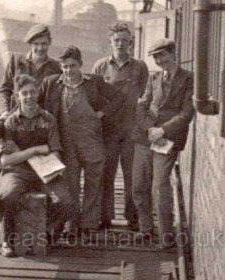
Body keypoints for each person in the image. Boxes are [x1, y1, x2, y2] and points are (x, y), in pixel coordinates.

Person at [39, 46, 126, 234]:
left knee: (93, 182)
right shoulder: (52, 83)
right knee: (70, 184)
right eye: (64, 67)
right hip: (66, 143)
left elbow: (119, 97)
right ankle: (72, 224)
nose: (68, 71)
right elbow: (32, 102)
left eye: (72, 66)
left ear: (80, 64)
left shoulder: (93, 82)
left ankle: (89, 224)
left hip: (91, 140)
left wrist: (102, 113)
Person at [0, 74, 73, 257]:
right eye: (24, 93)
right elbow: (6, 160)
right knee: (7, 195)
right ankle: (8, 240)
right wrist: (36, 150)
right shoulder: (11, 122)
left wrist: (38, 159)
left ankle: (47, 234)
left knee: (67, 201)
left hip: (45, 171)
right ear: (17, 96)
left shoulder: (48, 119)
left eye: (32, 92)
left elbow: (55, 151)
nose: (29, 96)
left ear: (38, 93)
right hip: (17, 172)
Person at [132, 38, 195, 248]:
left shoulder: (189, 79)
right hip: (146, 137)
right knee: (139, 185)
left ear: (173, 53)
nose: (159, 60)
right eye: (156, 57)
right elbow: (142, 105)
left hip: (167, 140)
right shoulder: (154, 78)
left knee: (159, 186)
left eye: (162, 55)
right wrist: (150, 128)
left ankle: (167, 236)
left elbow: (187, 114)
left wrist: (163, 130)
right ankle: (145, 229)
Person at [92, 23, 149, 230]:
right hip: (108, 131)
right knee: (106, 174)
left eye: (125, 40)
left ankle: (132, 218)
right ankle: (105, 218)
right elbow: (94, 97)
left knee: (132, 176)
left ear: (130, 42)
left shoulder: (140, 67)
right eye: (116, 40)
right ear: (110, 41)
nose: (120, 44)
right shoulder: (100, 66)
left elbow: (145, 97)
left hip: (132, 131)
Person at [0, 24, 62, 117]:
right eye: (36, 44)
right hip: (17, 119)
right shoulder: (16, 61)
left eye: (44, 44)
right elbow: (4, 90)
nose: (40, 48)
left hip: (44, 121)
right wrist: (4, 112)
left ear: (49, 43)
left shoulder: (57, 67)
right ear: (30, 44)